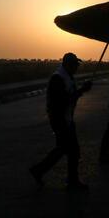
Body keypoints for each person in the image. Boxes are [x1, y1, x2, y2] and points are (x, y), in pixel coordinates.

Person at [29, 53, 92, 189]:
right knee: (70, 150)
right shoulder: (58, 78)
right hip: (60, 119)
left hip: (66, 119)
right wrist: (81, 91)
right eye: (75, 65)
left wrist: (81, 90)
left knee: (65, 149)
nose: (77, 67)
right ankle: (70, 180)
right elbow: (62, 101)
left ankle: (40, 171)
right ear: (67, 64)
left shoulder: (67, 76)